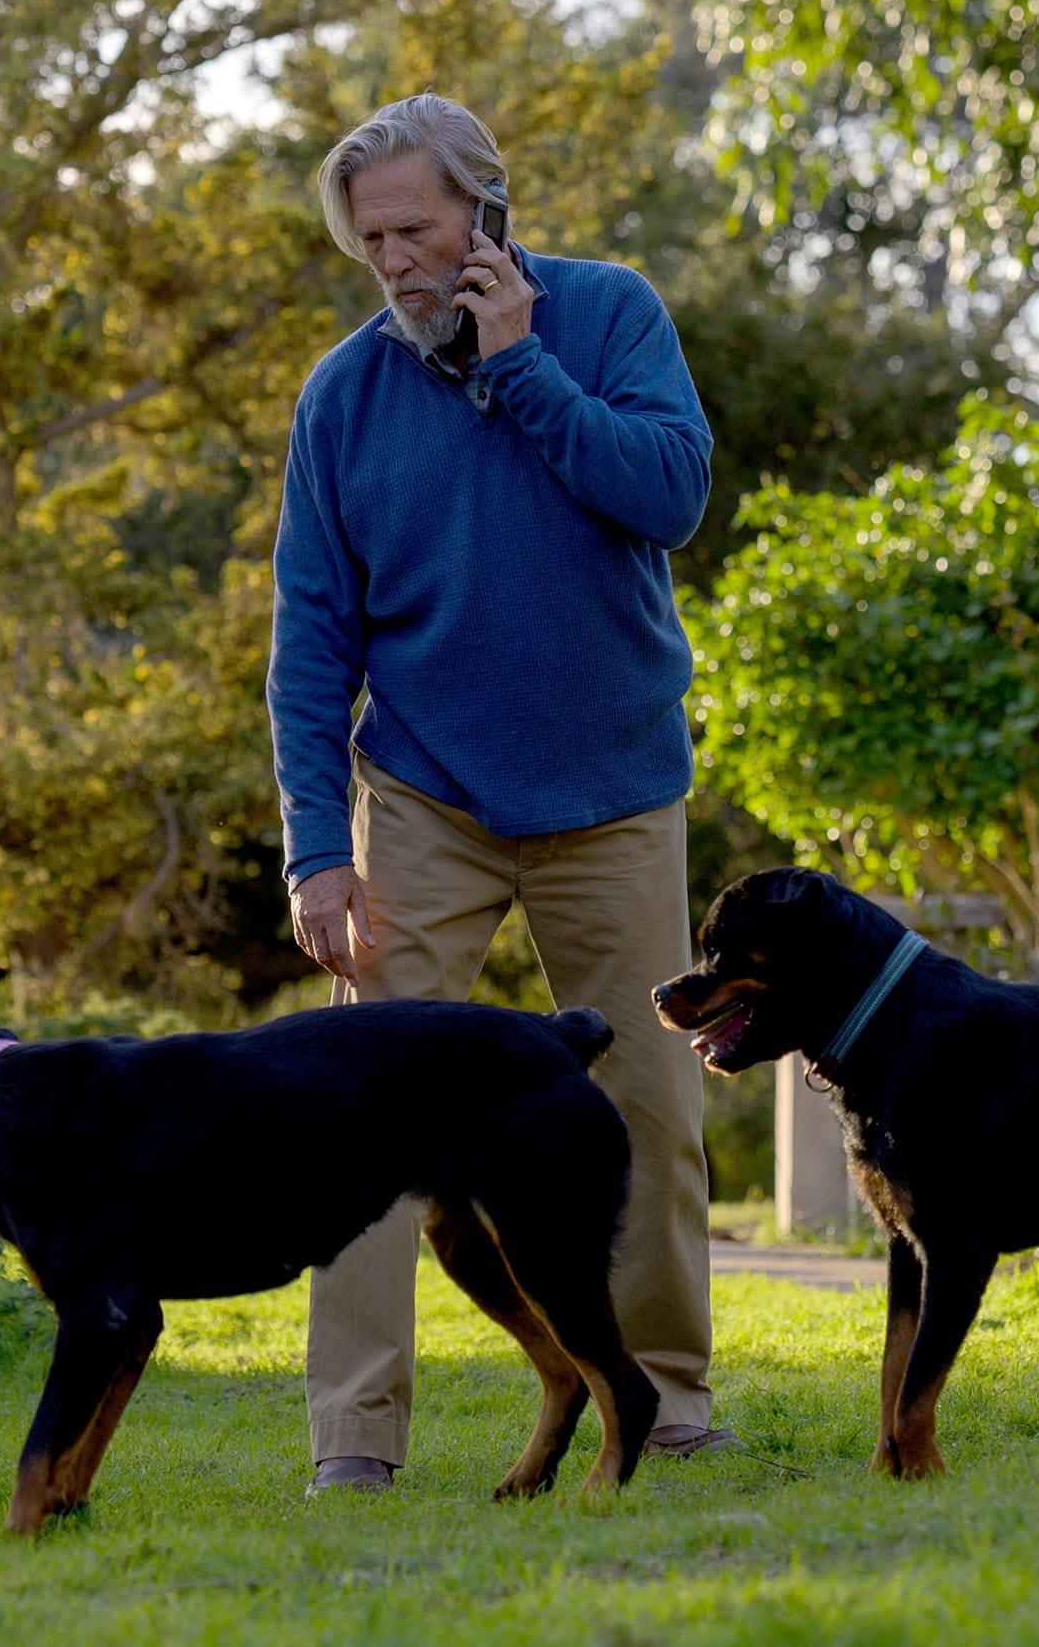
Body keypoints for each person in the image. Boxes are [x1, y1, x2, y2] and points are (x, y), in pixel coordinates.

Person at [268, 93, 734, 1495]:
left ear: (487, 213)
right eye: (373, 241)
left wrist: (521, 364)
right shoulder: (343, 396)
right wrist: (313, 850)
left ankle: (665, 1399)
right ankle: (356, 1434)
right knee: (364, 1115)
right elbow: (310, 639)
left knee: (650, 1102)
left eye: (416, 228)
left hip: (612, 788)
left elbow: (670, 495)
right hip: (423, 793)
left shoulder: (608, 316)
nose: (397, 260)